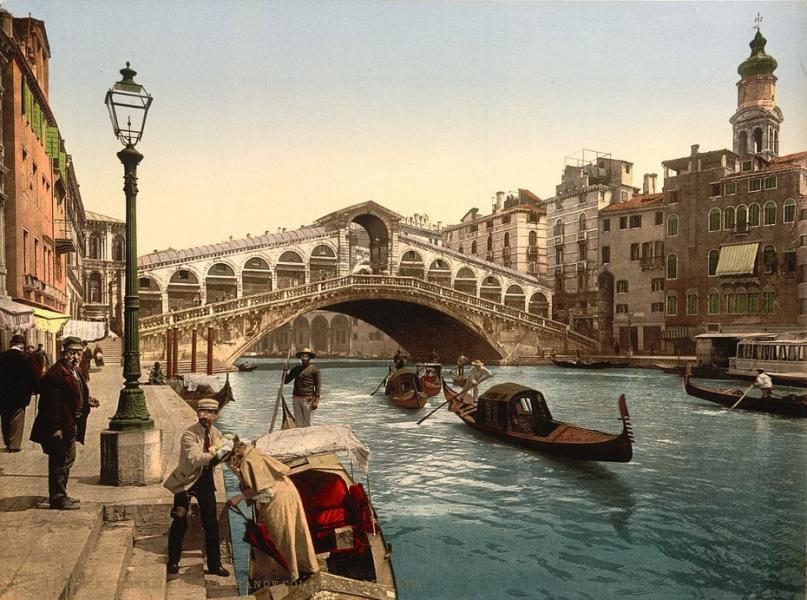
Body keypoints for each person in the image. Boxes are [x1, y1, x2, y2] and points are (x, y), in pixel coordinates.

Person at [226, 438, 319, 583]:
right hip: (287, 491)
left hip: (277, 498)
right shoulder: (252, 454)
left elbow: (265, 490)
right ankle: (305, 567)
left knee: (278, 536)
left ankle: (287, 574)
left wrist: (239, 497)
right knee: (295, 531)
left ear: (233, 455)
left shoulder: (248, 462)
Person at [163, 398, 233, 576]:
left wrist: (230, 451)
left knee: (211, 524)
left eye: (209, 412)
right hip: (186, 481)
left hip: (205, 482)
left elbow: (224, 456)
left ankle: (215, 565)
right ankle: (173, 561)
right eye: (201, 411)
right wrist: (218, 454)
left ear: (216, 415)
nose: (204, 416)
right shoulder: (189, 434)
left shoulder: (216, 434)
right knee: (180, 520)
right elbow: (195, 458)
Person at [29, 337, 99, 509]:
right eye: (71, 353)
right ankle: (58, 497)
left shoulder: (75, 371)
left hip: (70, 423)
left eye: (79, 353)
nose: (76, 357)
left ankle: (62, 493)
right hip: (61, 426)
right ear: (64, 353)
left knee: (67, 458)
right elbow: (50, 405)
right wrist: (56, 428)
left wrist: (86, 400)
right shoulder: (56, 374)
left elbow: (73, 392)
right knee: (60, 460)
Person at [0, 334, 40, 452]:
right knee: (16, 419)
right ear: (22, 346)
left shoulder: (1, 356)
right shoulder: (25, 359)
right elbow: (32, 376)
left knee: (5, 418)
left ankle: (7, 442)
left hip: (2, 394)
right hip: (19, 395)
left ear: (12, 344)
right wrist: (37, 388)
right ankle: (14, 445)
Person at [284, 348, 321, 427]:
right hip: (296, 398)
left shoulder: (314, 369)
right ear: (300, 358)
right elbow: (286, 381)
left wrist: (316, 401)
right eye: (302, 356)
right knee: (298, 422)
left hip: (308, 399)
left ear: (309, 358)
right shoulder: (296, 369)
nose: (304, 358)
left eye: (306, 356)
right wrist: (285, 372)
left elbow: (318, 385)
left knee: (308, 423)